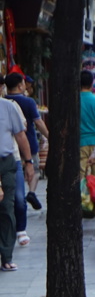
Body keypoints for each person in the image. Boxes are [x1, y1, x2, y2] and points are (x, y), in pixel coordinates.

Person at [0, 87, 35, 270]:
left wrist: (28, 162)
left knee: (7, 206)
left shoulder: (8, 107)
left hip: (5, 161)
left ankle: (6, 255)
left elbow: (20, 136)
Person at [5, 72, 45, 219]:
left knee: (15, 173)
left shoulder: (4, 102)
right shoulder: (28, 102)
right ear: (20, 85)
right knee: (33, 169)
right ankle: (31, 192)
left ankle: (17, 195)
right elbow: (38, 123)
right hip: (28, 142)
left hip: (11, 146)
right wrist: (49, 135)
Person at [79, 70, 95, 181]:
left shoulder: (74, 101)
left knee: (81, 174)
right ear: (92, 83)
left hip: (80, 143)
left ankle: (82, 197)